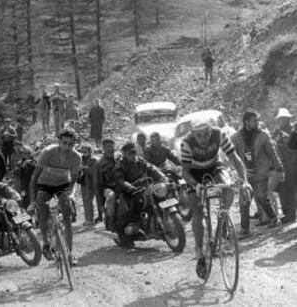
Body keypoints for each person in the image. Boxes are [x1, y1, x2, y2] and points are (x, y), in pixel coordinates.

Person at [181, 118, 252, 280]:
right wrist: (195, 185)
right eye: (199, 136)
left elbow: (236, 159)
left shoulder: (220, 134)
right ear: (193, 135)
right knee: (197, 212)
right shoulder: (186, 143)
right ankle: (199, 254)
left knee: (228, 189)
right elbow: (184, 172)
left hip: (215, 167)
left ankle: (221, 224)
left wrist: (245, 182)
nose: (204, 139)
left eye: (206, 134)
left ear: (211, 131)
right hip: (194, 173)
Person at [27, 128, 81, 264]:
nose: (67, 147)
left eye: (71, 144)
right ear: (59, 142)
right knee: (42, 207)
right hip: (45, 184)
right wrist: (32, 202)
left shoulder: (76, 157)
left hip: (63, 185)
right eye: (64, 143)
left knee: (67, 216)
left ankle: (69, 253)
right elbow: (34, 178)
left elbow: (73, 179)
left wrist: (69, 193)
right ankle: (45, 242)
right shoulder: (48, 153)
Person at [231, 110, 285, 237]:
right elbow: (231, 156)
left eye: (257, 120)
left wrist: (280, 168)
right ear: (246, 122)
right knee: (245, 201)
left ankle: (273, 218)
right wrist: (236, 170)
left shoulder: (263, 135)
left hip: (261, 173)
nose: (257, 122)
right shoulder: (236, 138)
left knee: (261, 196)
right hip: (245, 175)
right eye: (254, 120)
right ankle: (245, 230)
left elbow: (272, 153)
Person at [113, 142, 167, 247]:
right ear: (124, 154)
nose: (133, 155)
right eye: (130, 153)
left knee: (160, 197)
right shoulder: (120, 164)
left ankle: (159, 226)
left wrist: (162, 176)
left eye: (134, 152)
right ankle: (123, 235)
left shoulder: (140, 161)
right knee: (128, 210)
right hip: (128, 191)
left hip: (144, 188)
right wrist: (130, 187)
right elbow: (120, 179)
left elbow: (151, 168)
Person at [272, 108, 297, 224]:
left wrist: (284, 140)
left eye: (284, 119)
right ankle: (286, 213)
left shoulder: (293, 131)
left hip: (293, 164)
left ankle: (291, 215)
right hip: (282, 165)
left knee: (290, 189)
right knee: (282, 189)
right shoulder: (277, 132)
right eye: (280, 119)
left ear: (287, 119)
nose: (282, 121)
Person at [94, 138, 117, 230]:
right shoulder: (99, 164)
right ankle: (110, 220)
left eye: (112, 146)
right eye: (108, 147)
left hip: (122, 186)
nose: (110, 149)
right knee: (111, 196)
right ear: (103, 148)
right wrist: (100, 204)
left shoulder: (119, 159)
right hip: (108, 188)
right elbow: (97, 185)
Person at [78, 143, 100, 226]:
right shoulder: (80, 159)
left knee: (91, 201)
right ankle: (88, 218)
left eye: (85, 149)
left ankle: (92, 219)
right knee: (86, 201)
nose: (82, 151)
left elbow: (94, 172)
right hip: (84, 183)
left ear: (90, 151)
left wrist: (84, 168)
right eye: (82, 149)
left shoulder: (94, 159)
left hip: (92, 183)